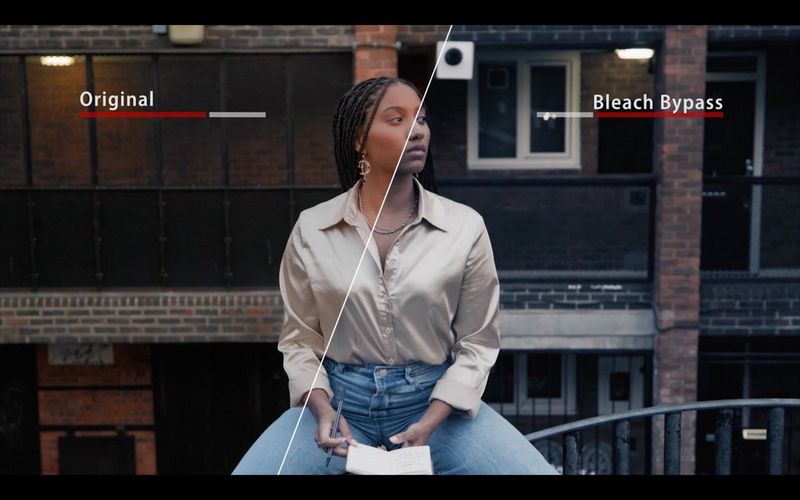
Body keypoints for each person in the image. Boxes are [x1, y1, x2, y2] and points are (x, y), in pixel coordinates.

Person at [232, 76, 558, 475]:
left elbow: (478, 343)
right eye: (397, 119)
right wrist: (321, 410)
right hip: (339, 407)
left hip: (433, 403)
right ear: (358, 140)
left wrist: (431, 421)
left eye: (421, 118)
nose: (417, 130)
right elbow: (300, 340)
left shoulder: (464, 226)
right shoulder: (312, 228)